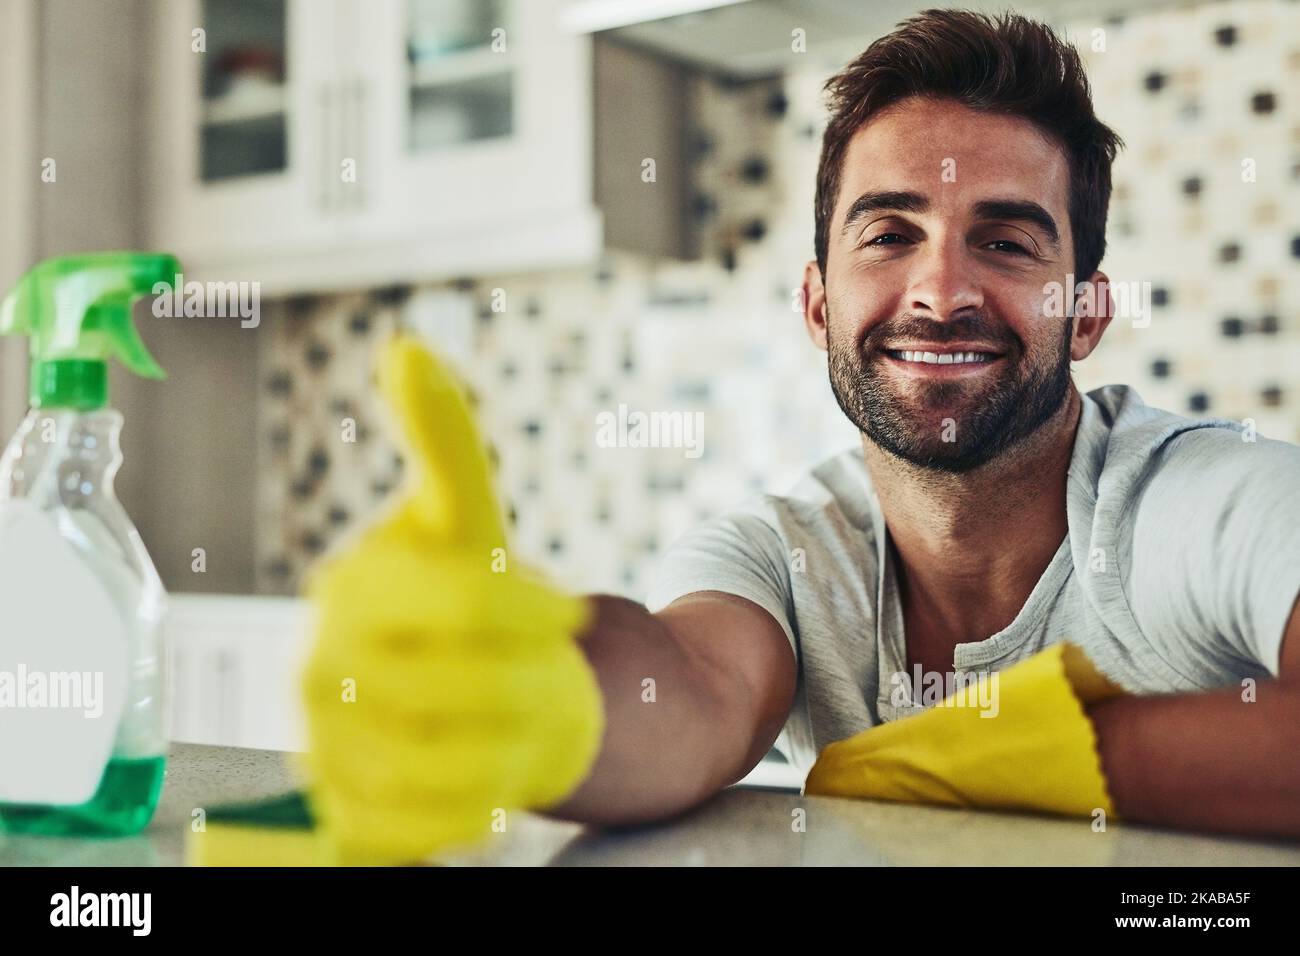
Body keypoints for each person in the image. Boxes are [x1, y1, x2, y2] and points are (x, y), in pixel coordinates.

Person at [302, 9, 1300, 856]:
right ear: (818, 303)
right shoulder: (781, 551)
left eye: (1002, 240)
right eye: (888, 233)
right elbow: (687, 687)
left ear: (1084, 310)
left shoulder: (1196, 498)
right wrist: (529, 690)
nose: (941, 289)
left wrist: (1018, 757)